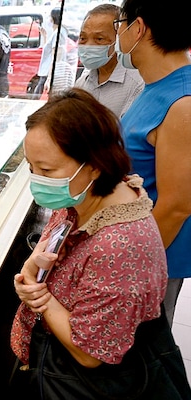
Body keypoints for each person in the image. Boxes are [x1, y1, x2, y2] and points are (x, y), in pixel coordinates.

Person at [9, 88, 190, 399]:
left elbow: (89, 352)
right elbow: (46, 253)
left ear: (93, 164)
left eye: (48, 170)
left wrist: (40, 298)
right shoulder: (82, 197)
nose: (37, 180)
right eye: (31, 168)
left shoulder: (119, 247)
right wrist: (32, 267)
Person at [117, 0, 191, 327]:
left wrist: (128, 265)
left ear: (139, 27)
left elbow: (176, 205)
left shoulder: (182, 103)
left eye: (120, 22)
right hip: (133, 245)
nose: (117, 32)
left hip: (151, 260)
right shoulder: (155, 87)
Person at [74, 3, 144, 118]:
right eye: (83, 38)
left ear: (118, 39)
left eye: (99, 39)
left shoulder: (137, 85)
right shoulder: (81, 84)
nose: (89, 45)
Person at [32, 8, 71, 98]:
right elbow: (49, 52)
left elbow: (55, 56)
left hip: (48, 72)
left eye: (50, 17)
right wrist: (44, 36)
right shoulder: (57, 32)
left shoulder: (59, 33)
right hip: (47, 71)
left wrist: (49, 78)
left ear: (53, 18)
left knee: (37, 96)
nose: (49, 19)